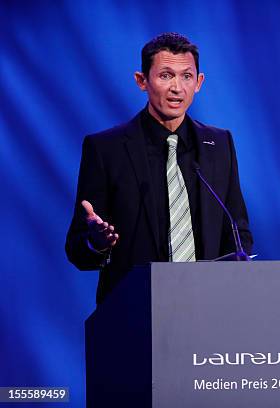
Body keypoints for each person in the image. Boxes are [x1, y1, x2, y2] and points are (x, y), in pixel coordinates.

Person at [65, 33, 253, 303]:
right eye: (166, 75)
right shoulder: (106, 149)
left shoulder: (219, 144)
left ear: (199, 82)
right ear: (142, 81)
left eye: (186, 76)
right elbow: (77, 250)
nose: (177, 87)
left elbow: (238, 230)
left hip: (210, 308)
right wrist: (98, 242)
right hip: (135, 311)